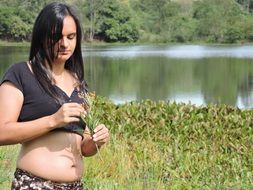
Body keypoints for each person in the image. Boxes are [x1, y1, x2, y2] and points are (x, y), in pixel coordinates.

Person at [0, 2, 109, 190]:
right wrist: (53, 120)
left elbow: (84, 148)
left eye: (71, 37)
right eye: (56, 37)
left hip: (75, 186)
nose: (65, 44)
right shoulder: (21, 73)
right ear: (42, 37)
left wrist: (96, 141)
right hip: (35, 184)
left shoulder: (79, 83)